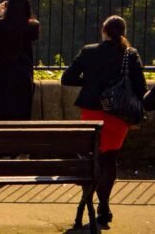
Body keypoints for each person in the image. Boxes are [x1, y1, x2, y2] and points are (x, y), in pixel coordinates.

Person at [61, 15, 145, 227]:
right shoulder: (130, 54)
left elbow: (67, 78)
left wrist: (89, 83)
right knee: (110, 160)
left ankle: (86, 201)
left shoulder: (89, 51)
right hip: (118, 115)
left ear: (104, 31)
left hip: (92, 113)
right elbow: (141, 88)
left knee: (92, 158)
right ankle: (104, 206)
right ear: (123, 31)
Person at [0, 0, 40, 120]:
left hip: (4, 74)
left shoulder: (1, 24)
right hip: (24, 75)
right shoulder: (33, 26)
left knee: (1, 113)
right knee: (22, 115)